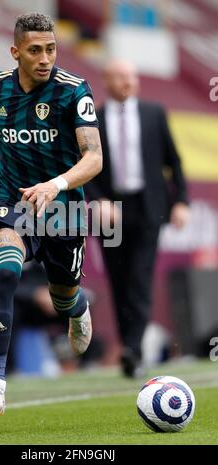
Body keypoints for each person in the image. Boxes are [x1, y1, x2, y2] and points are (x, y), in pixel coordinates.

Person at [0, 13, 102, 415]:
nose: (45, 58)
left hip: (61, 208)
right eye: (35, 50)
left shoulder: (73, 90)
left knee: (62, 298)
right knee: (7, 270)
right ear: (16, 52)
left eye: (51, 49)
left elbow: (94, 157)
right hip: (11, 198)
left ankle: (77, 310)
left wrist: (56, 184)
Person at [85, 60, 190, 378]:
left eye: (130, 76)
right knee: (119, 279)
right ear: (106, 80)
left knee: (141, 277)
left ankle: (133, 349)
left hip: (148, 207)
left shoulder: (153, 113)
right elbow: (82, 166)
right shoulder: (93, 120)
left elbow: (174, 161)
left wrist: (181, 201)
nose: (126, 82)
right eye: (119, 77)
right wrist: (98, 200)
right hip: (109, 209)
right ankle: (128, 344)